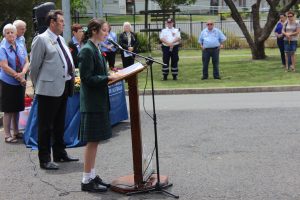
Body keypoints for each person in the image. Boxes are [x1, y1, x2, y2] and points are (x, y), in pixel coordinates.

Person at [29, 10, 79, 170]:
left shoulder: (61, 39)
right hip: (47, 90)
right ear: (52, 22)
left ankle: (59, 153)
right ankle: (44, 159)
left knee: (59, 123)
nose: (64, 24)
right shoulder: (41, 40)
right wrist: (38, 87)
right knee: (45, 126)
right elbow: (34, 67)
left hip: (63, 86)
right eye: (61, 21)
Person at [78, 18, 119, 193]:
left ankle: (92, 175)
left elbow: (97, 73)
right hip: (92, 103)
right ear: (94, 30)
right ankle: (86, 180)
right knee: (92, 141)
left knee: (95, 142)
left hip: (98, 101)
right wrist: (107, 78)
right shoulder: (87, 50)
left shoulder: (96, 48)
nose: (106, 34)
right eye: (104, 30)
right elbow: (86, 78)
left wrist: (108, 74)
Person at [0, 24, 28, 143]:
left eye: (12, 32)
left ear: (16, 34)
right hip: (8, 81)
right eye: (7, 33)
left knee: (17, 107)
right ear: (4, 35)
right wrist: (18, 76)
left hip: (20, 80)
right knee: (8, 109)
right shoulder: (2, 47)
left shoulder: (21, 44)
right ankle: (7, 135)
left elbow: (27, 61)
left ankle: (16, 132)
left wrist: (23, 73)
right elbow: (4, 66)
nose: (10, 34)